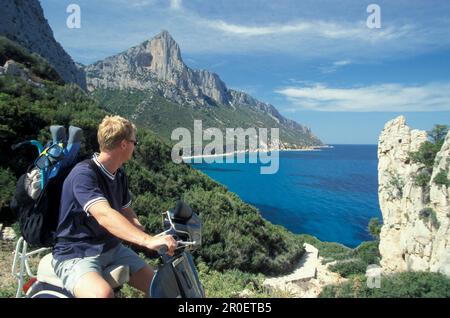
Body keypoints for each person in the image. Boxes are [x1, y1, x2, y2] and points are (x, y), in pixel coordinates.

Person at [52, 115, 177, 298]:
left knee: (162, 288)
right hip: (76, 252)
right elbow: (104, 215)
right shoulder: (83, 175)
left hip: (111, 247)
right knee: (102, 295)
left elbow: (126, 210)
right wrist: (147, 241)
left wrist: (145, 233)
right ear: (124, 145)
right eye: (135, 142)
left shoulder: (118, 174)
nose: (136, 146)